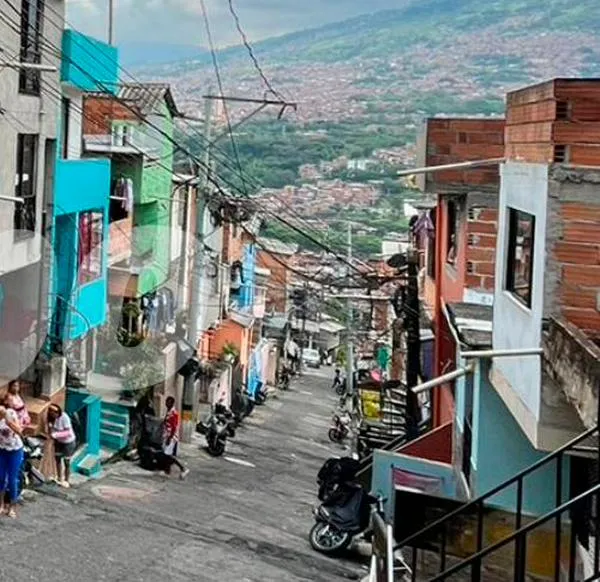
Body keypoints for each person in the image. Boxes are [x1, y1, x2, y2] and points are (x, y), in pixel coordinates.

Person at [0, 405, 24, 518]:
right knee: (1, 478)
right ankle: (1, 505)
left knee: (12, 479)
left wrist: (8, 421)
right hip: (2, 450)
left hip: (15, 450)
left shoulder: (10, 414)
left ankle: (12, 507)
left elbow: (19, 430)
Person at [46, 404, 76, 488]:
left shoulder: (64, 418)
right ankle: (59, 477)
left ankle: (66, 480)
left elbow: (68, 432)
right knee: (57, 459)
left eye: (55, 413)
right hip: (58, 442)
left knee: (66, 462)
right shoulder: (51, 419)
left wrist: (55, 435)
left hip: (68, 442)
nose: (53, 414)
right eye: (51, 413)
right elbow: (50, 429)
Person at [162, 396, 189, 480]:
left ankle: (183, 468)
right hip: (167, 435)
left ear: (172, 403)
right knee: (166, 454)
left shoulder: (173, 413)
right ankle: (167, 471)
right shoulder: (169, 411)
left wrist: (170, 438)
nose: (166, 403)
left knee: (168, 455)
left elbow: (174, 427)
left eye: (168, 402)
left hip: (171, 436)